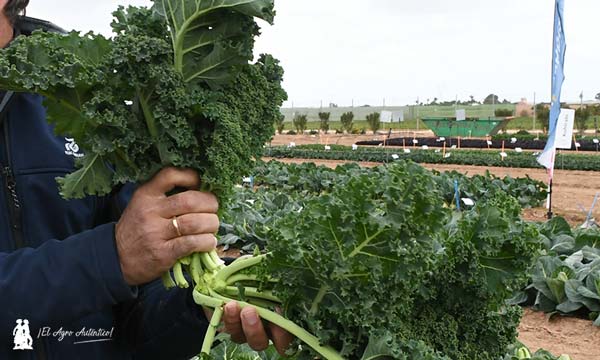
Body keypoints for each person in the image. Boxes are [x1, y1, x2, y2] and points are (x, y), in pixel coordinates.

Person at [0, 0, 291, 358]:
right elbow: (116, 261)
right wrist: (110, 258)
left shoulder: (81, 94)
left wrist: (197, 304)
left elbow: (136, 324)